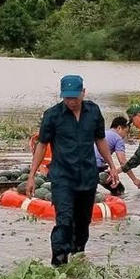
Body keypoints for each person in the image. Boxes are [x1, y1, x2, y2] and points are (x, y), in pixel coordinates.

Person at [26, 75, 121, 267]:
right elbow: (42, 145)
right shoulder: (52, 115)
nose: (70, 101)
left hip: (87, 176)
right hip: (63, 178)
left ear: (83, 93)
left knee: (83, 222)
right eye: (67, 97)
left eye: (74, 97)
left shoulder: (93, 111)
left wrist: (112, 166)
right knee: (64, 220)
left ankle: (78, 257)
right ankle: (59, 263)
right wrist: (31, 176)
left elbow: (100, 140)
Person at [96, 117, 140, 196]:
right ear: (119, 128)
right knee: (119, 190)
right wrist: (134, 180)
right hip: (97, 168)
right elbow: (123, 162)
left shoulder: (103, 133)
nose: (125, 136)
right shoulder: (118, 139)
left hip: (84, 166)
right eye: (126, 132)